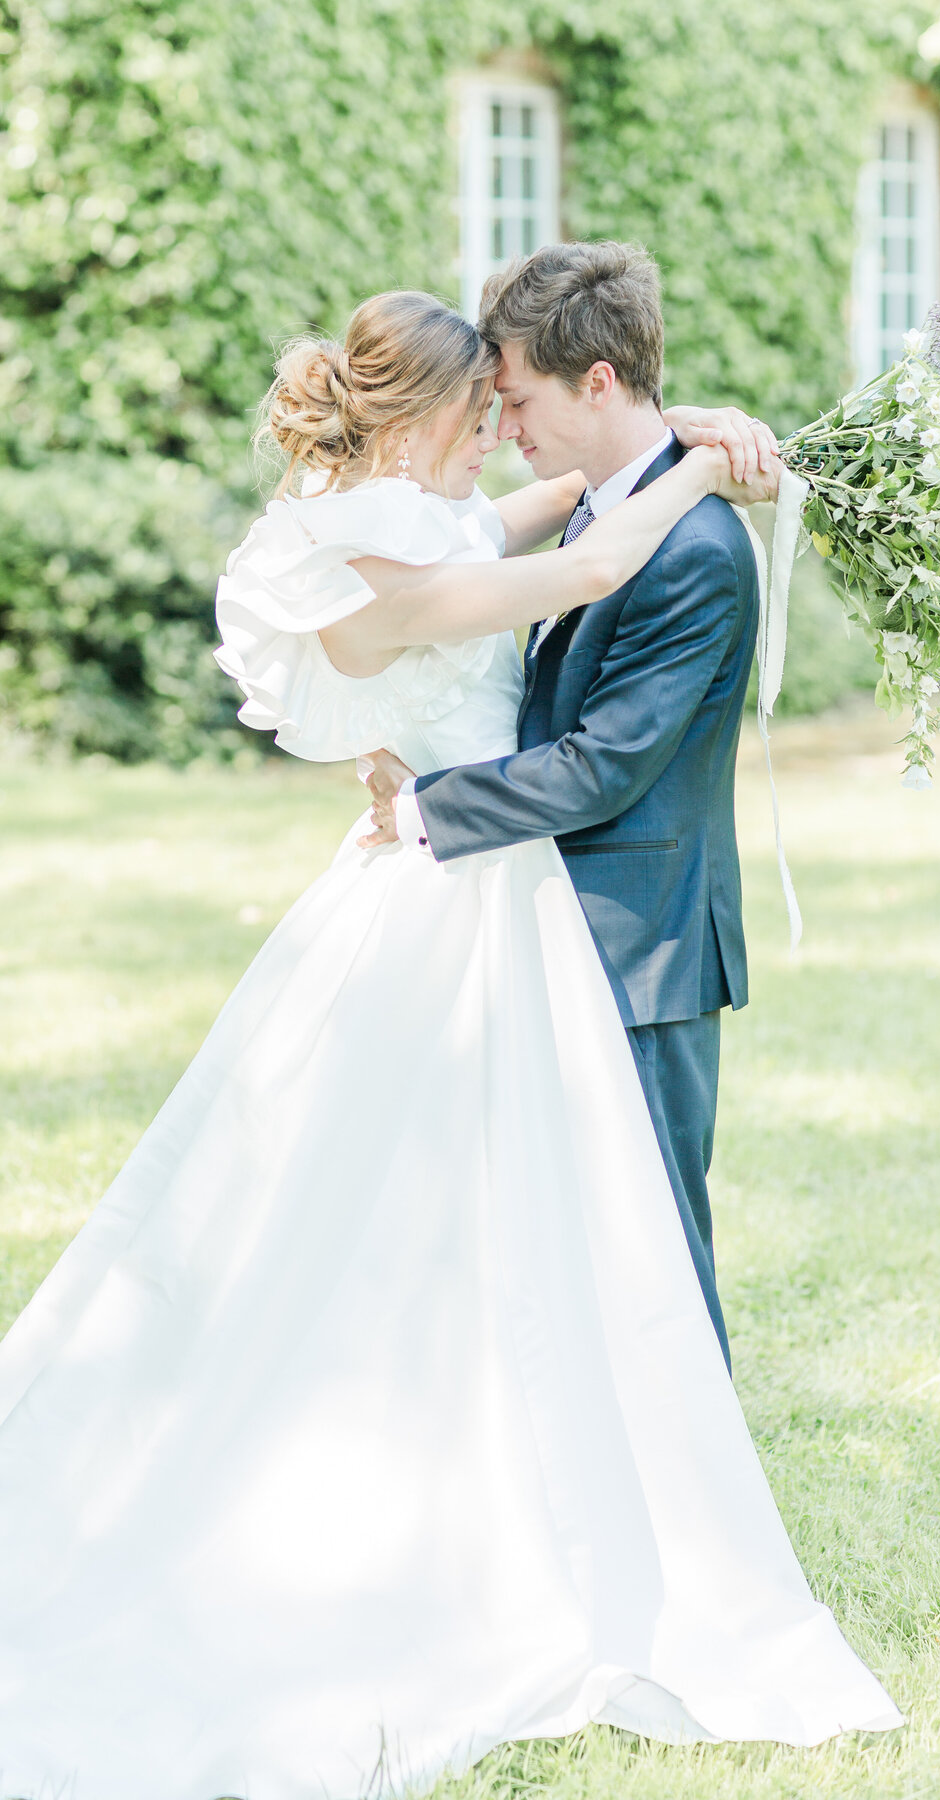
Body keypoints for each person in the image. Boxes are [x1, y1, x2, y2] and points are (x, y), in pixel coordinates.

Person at [0, 285, 901, 1800]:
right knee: (409, 1212)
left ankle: (612, 1498)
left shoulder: (431, 520)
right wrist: (705, 463)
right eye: (488, 406)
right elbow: (580, 553)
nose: (503, 425)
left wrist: (696, 442)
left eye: (517, 397)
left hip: (497, 897)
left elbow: (563, 502)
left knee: (545, 1219)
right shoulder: (381, 555)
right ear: (441, 412)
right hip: (450, 894)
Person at [361, 242, 767, 1370]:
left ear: (597, 383)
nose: (506, 424)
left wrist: (428, 810)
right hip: (560, 928)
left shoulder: (694, 547)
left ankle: (699, 1511)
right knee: (560, 1245)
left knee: (656, 1253)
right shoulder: (603, 507)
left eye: (521, 396)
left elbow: (605, 765)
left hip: (645, 947)